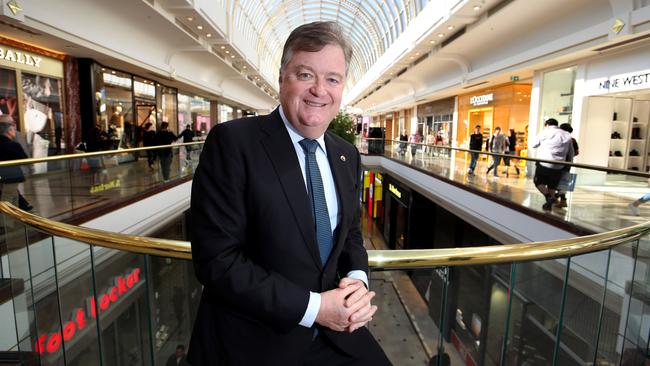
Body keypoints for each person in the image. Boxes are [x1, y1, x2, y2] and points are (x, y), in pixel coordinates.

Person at [188, 21, 390, 365]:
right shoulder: (234, 143)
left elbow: (351, 234)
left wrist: (356, 280)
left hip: (334, 337)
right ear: (282, 77)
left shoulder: (346, 155)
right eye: (305, 74)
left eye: (332, 79)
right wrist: (315, 309)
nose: (319, 90)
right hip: (255, 343)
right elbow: (217, 261)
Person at [532, 118, 574, 211]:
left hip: (544, 163)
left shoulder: (545, 132)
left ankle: (548, 197)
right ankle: (549, 205)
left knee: (538, 182)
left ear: (547, 125)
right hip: (559, 165)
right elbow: (571, 152)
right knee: (552, 185)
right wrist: (568, 164)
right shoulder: (567, 135)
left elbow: (534, 144)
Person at [0, 119, 32, 211]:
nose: (15, 132)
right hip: (10, 175)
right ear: (9, 131)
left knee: (13, 195)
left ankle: (18, 215)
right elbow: (24, 158)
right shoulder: (12, 145)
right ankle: (7, 222)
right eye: (13, 130)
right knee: (9, 198)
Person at [555, 123, 579, 208]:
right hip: (568, 164)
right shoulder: (573, 140)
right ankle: (560, 199)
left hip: (559, 163)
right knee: (564, 182)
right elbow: (576, 152)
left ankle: (560, 199)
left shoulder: (564, 139)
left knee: (558, 181)